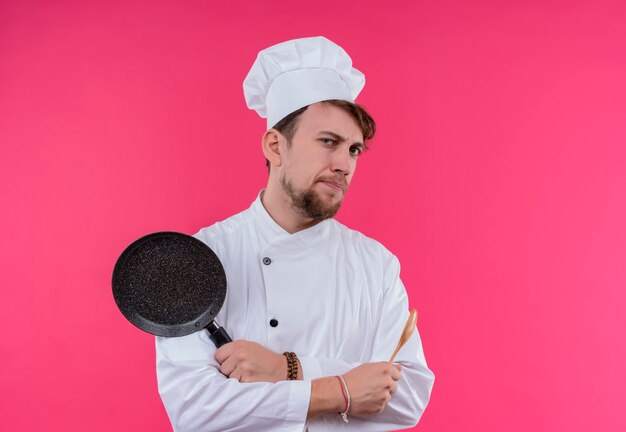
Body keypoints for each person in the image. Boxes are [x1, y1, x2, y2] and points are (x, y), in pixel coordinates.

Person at [156, 36, 434, 431]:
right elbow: (196, 409)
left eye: (354, 150)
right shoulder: (203, 255)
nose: (344, 164)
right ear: (275, 146)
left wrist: (287, 368)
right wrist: (341, 390)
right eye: (328, 142)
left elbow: (408, 398)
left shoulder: (375, 263)